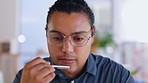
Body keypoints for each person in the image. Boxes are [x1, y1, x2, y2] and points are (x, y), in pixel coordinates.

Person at [13, 0, 135, 83]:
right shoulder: (28, 77)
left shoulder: (116, 76)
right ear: (46, 34)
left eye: (78, 39)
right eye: (57, 38)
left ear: (92, 35)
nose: (67, 49)